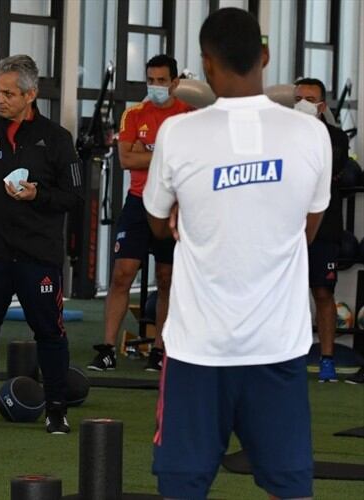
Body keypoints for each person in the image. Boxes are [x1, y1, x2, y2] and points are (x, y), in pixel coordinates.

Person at [146, 8, 330, 499]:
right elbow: (307, 229)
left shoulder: (177, 134)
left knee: (182, 488)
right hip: (275, 349)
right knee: (290, 490)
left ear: (206, 64)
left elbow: (156, 224)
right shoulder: (312, 134)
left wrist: (196, 208)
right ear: (264, 56)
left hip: (197, 352)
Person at [0, 55, 83, 434]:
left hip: (37, 253)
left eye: (9, 93)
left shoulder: (57, 139)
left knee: (49, 331)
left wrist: (38, 195)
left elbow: (73, 198)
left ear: (31, 94)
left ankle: (56, 409)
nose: (0, 99)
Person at [87, 54, 193, 373]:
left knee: (166, 278)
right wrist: (165, 154)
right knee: (122, 274)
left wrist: (146, 152)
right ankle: (107, 349)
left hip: (174, 204)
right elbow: (125, 160)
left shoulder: (189, 116)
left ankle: (160, 350)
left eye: (162, 80)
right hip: (138, 201)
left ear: (175, 82)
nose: (156, 86)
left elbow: (187, 159)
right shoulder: (134, 114)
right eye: (151, 80)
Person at [293, 77, 349, 383]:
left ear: (322, 106)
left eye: (310, 99)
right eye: (298, 97)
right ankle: (289, 358)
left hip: (324, 228)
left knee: (323, 292)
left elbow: (326, 170)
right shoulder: (280, 135)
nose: (302, 103)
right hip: (287, 227)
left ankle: (327, 360)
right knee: (288, 295)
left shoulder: (336, 138)